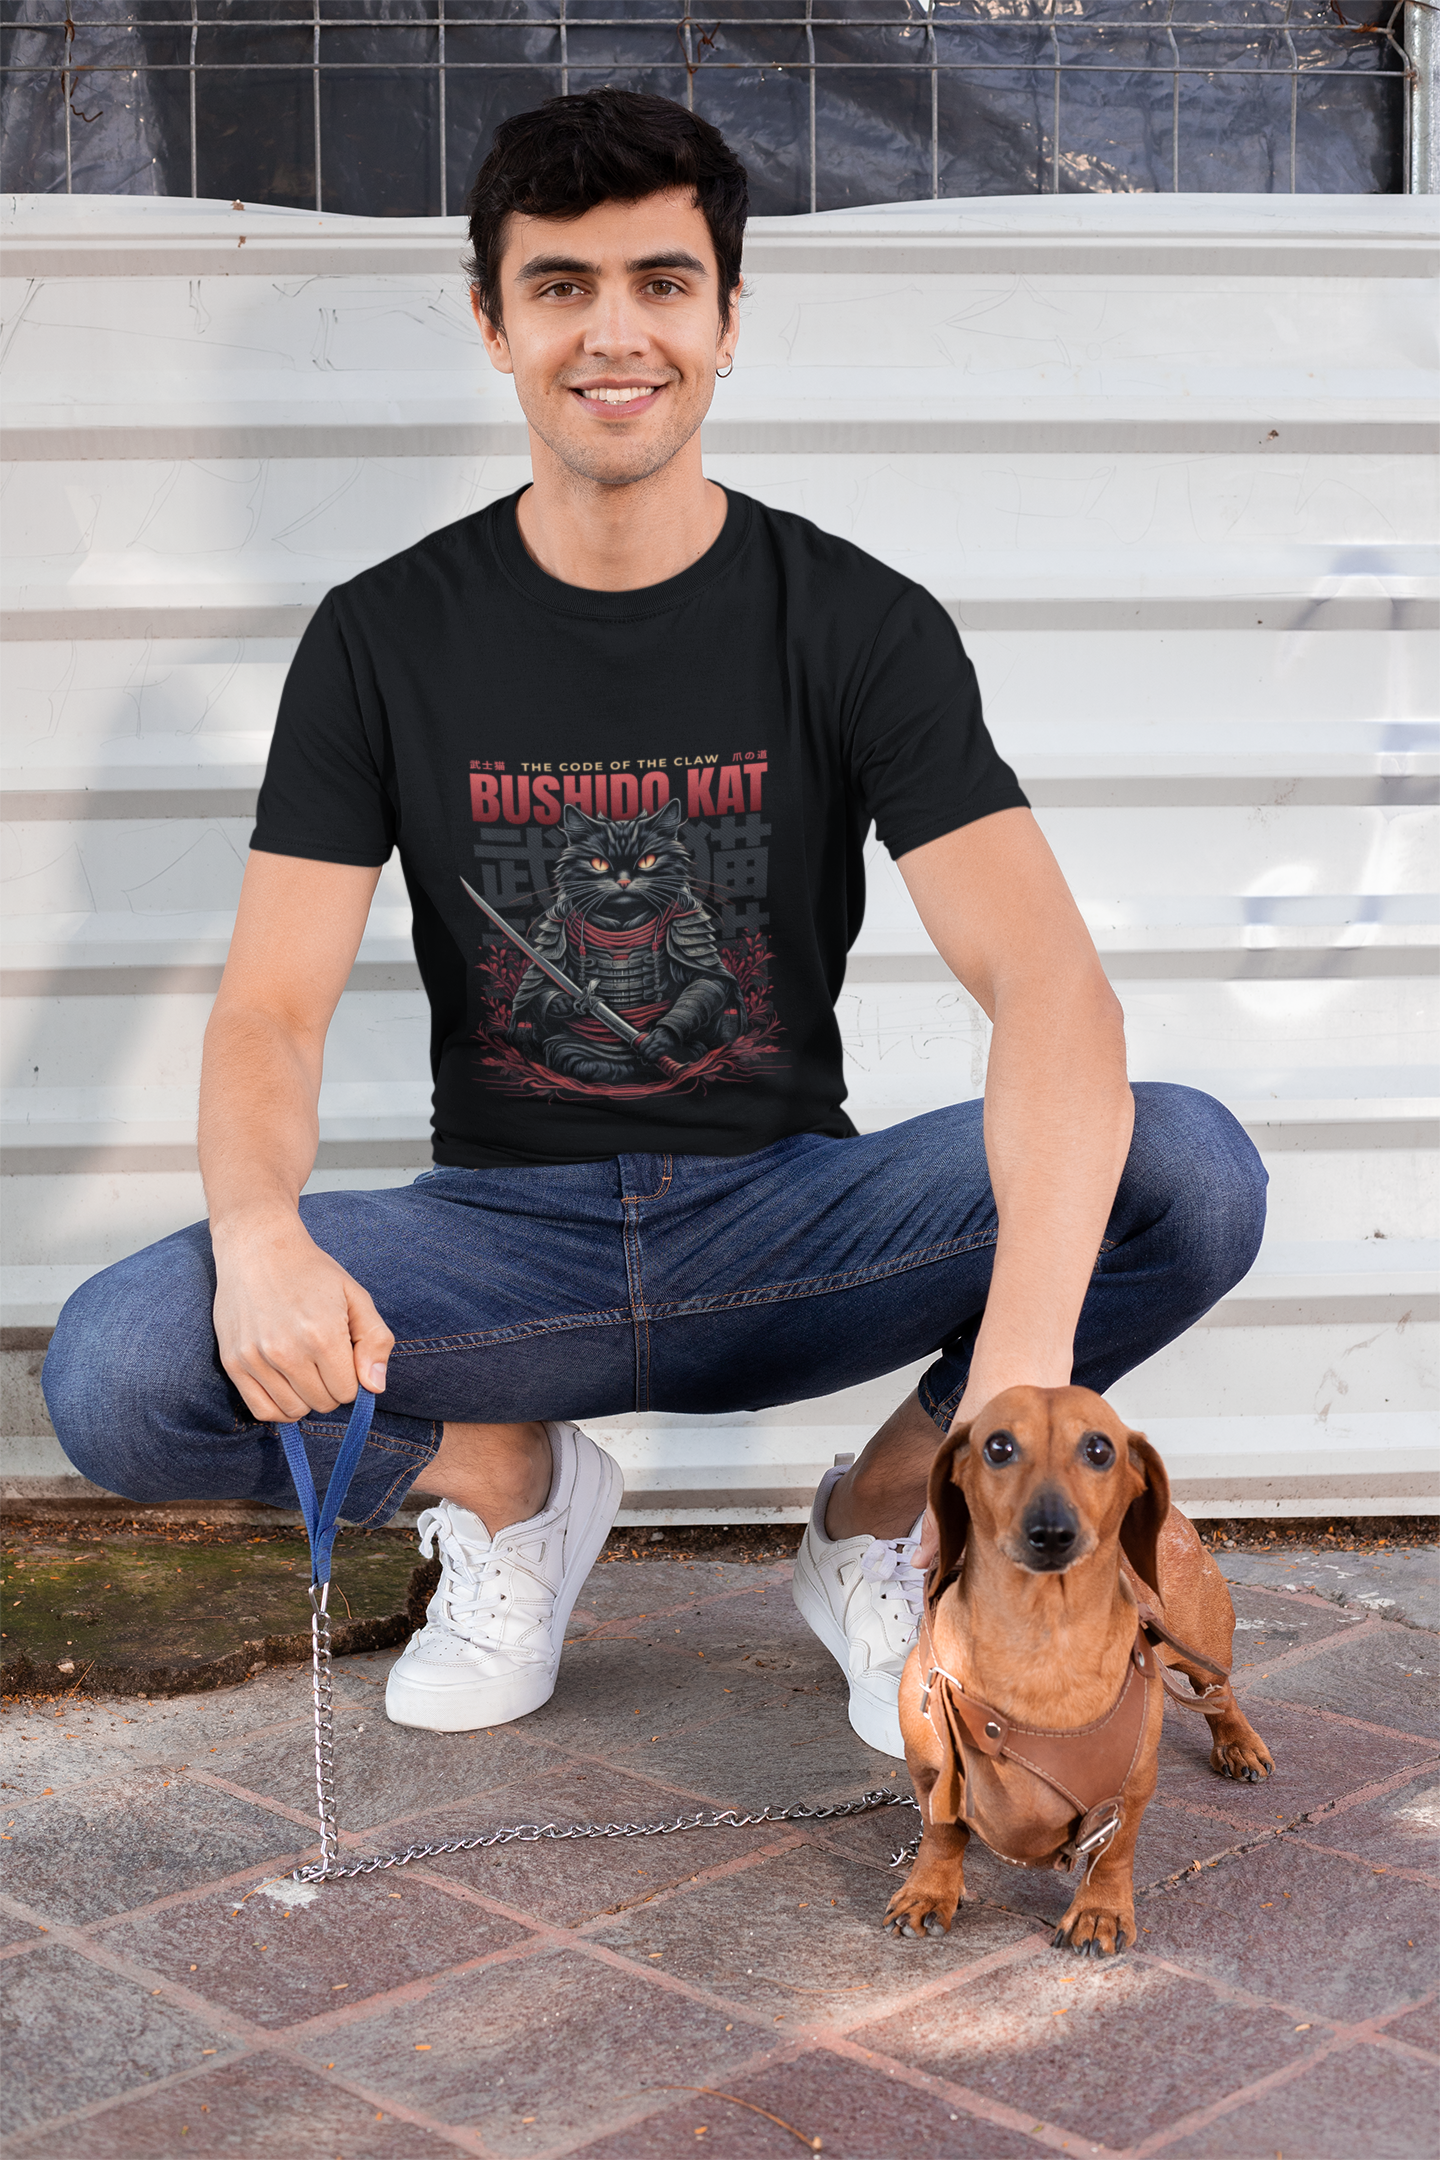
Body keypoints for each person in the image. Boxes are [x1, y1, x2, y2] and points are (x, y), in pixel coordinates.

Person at [42, 89, 1266, 1756]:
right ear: (494, 324)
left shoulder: (857, 623)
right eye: (561, 286)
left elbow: (1050, 984)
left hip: (792, 1224)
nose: (614, 334)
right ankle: (508, 1487)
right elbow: (270, 1010)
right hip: (506, 1249)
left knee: (1187, 1171)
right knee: (120, 1367)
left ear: (728, 318)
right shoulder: (381, 639)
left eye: (662, 283)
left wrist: (1014, 1388)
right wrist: (259, 1234)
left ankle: (883, 1515)